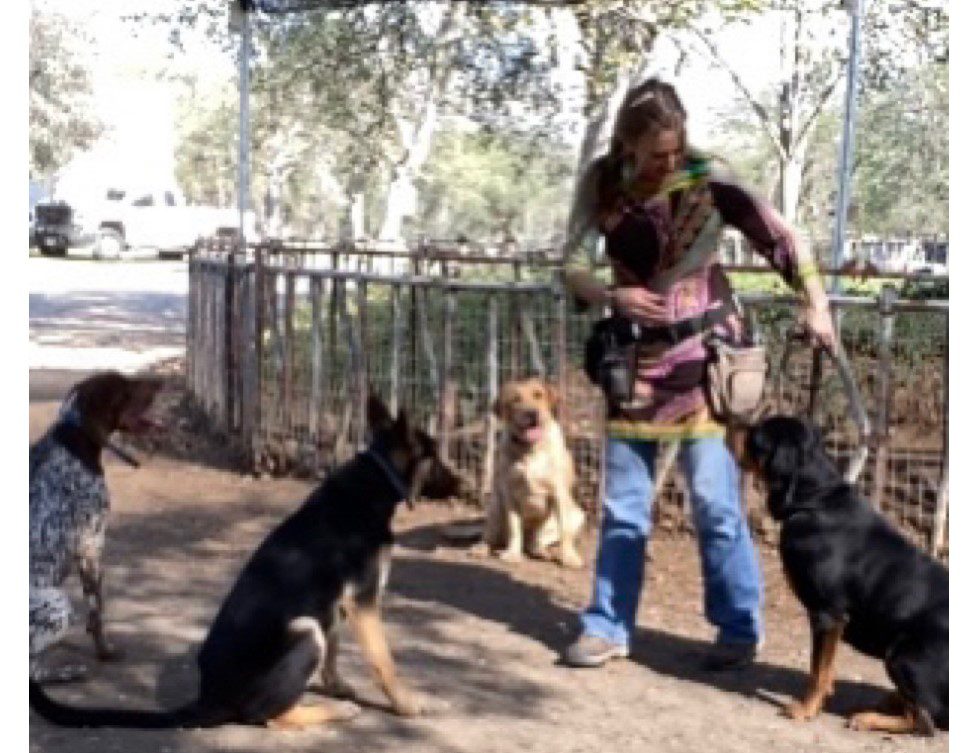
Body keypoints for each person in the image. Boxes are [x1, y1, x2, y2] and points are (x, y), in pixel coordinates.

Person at [561, 78, 837, 671]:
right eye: (657, 151)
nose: (669, 160)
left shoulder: (712, 178)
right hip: (635, 371)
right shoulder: (604, 186)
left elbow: (782, 238)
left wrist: (816, 302)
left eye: (675, 147)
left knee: (715, 503)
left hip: (709, 367)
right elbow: (572, 265)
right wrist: (614, 295)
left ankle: (739, 625)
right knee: (624, 507)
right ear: (629, 144)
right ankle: (607, 625)